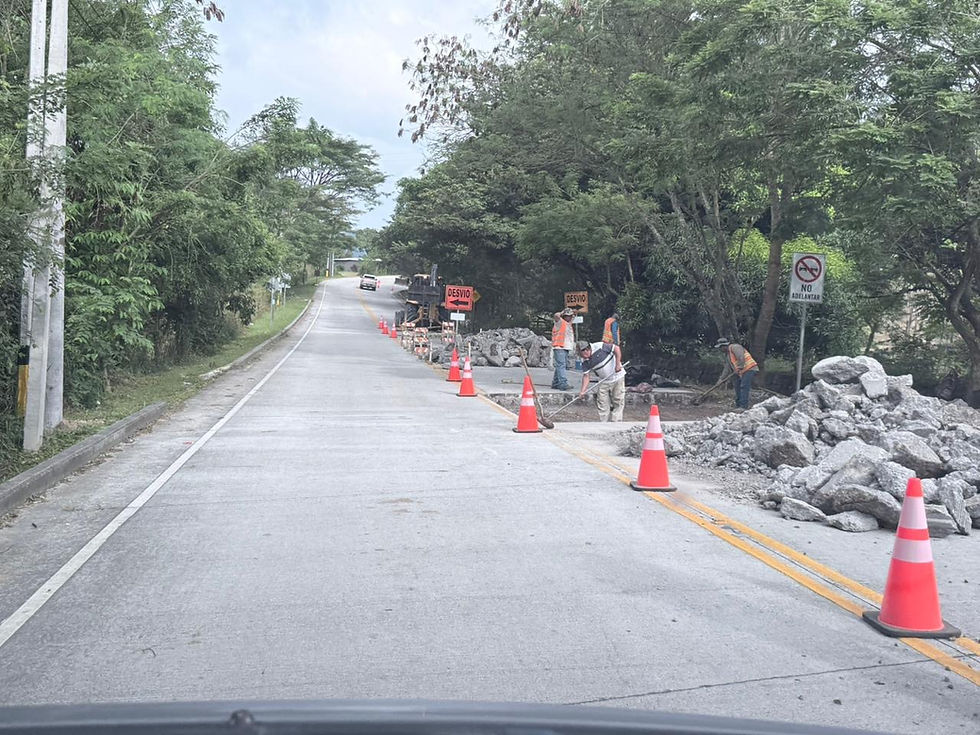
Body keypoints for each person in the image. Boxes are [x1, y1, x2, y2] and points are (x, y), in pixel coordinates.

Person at [577, 340, 626, 421]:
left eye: (584, 355)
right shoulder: (585, 361)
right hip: (603, 380)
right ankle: (603, 423)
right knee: (602, 403)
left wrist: (617, 364)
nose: (584, 358)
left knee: (618, 400)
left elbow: (616, 348)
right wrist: (583, 391)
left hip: (617, 377)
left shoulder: (600, 346)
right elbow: (586, 376)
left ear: (586, 350)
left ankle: (616, 422)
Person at [715, 338, 758, 409]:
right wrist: (721, 379)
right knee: (737, 385)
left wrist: (740, 367)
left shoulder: (735, 347)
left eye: (720, 347)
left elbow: (741, 357)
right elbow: (727, 368)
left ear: (724, 346)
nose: (720, 350)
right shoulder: (728, 355)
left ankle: (743, 406)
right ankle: (738, 405)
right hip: (741, 372)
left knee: (744, 387)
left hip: (749, 368)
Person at [551, 308, 576, 390]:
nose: (569, 317)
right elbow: (556, 315)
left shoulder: (568, 324)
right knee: (561, 365)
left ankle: (555, 383)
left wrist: (573, 312)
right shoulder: (560, 322)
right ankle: (562, 383)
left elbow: (574, 316)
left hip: (564, 347)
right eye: (567, 316)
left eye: (570, 316)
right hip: (559, 346)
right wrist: (563, 311)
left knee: (560, 365)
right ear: (564, 316)